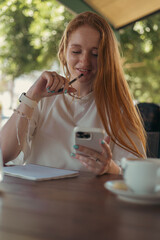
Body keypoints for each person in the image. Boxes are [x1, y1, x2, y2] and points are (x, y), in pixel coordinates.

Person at [0, 11, 146, 175]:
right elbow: (3, 154)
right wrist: (31, 96)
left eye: (95, 54)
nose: (84, 62)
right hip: (40, 198)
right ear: (63, 52)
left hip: (90, 199)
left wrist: (109, 168)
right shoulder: (41, 99)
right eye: (76, 52)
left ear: (107, 58)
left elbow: (138, 173)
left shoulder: (118, 109)